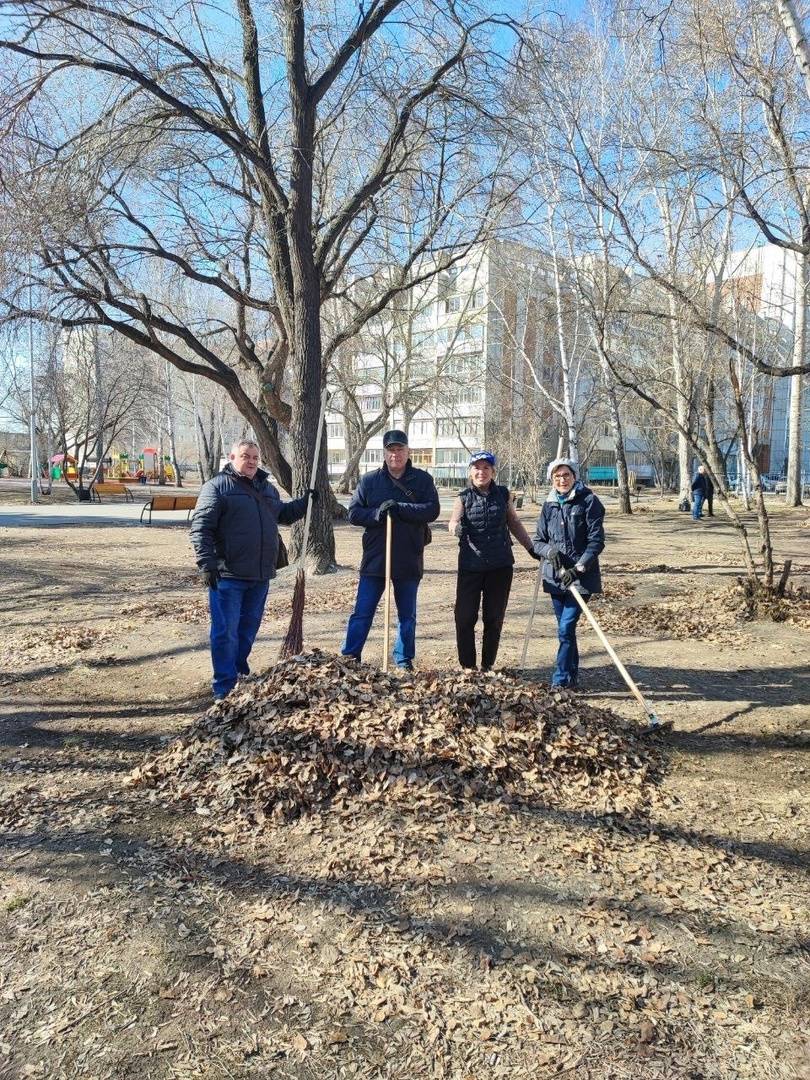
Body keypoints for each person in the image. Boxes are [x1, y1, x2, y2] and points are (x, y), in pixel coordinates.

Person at [190, 440, 314, 700]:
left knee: (247, 630)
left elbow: (283, 515)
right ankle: (224, 686)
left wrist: (305, 503)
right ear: (232, 457)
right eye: (246, 456)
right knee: (225, 632)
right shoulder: (217, 487)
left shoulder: (267, 489)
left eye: (256, 457)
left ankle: (239, 674)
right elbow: (201, 527)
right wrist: (206, 563)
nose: (252, 461)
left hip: (260, 575)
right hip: (228, 575)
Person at [341, 429, 440, 671]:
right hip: (376, 558)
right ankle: (350, 656)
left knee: (407, 615)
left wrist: (401, 508)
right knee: (362, 611)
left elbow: (432, 510)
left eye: (399, 449)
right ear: (384, 453)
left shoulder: (422, 480)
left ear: (408, 451)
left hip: (409, 557)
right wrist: (377, 513)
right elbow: (353, 513)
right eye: (391, 450)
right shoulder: (370, 481)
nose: (395, 454)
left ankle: (403, 659)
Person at [448, 451, 540, 670]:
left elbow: (514, 522)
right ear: (470, 472)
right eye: (477, 468)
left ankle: (487, 665)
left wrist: (531, 548)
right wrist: (455, 528)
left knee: (494, 618)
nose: (481, 472)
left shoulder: (503, 494)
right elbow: (453, 521)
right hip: (471, 565)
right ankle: (468, 667)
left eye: (486, 468)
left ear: (493, 471)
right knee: (464, 617)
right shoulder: (463, 497)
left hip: (500, 566)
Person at [532, 458, 605, 689]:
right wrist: (549, 551)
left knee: (565, 628)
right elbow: (538, 541)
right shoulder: (549, 505)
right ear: (552, 479)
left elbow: (596, 541)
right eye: (557, 476)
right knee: (566, 631)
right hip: (556, 578)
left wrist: (578, 568)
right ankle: (571, 676)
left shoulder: (589, 501)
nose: (562, 480)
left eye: (566, 475)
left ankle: (560, 680)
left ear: (574, 476)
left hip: (581, 578)